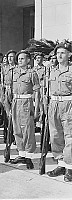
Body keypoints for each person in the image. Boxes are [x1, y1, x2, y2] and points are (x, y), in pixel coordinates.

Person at [6, 50, 40, 169]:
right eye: (19, 58)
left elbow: (36, 91)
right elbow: (8, 90)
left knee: (28, 130)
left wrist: (36, 108)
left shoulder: (32, 73)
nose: (20, 60)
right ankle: (21, 154)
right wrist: (8, 106)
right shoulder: (13, 72)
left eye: (22, 58)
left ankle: (29, 156)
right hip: (15, 102)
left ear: (28, 60)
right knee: (17, 130)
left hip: (27, 102)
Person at [46, 42, 72, 182]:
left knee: (70, 136)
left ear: (69, 54)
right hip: (54, 103)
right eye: (57, 53)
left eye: (63, 52)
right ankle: (61, 164)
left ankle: (70, 167)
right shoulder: (52, 70)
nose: (59, 55)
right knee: (55, 135)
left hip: (68, 104)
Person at [0, 50, 16, 143]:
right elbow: (2, 83)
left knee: (14, 116)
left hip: (14, 92)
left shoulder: (18, 68)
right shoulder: (4, 69)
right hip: (6, 91)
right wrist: (2, 96)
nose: (10, 59)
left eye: (12, 56)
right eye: (8, 57)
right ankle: (7, 136)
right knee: (6, 116)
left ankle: (14, 136)